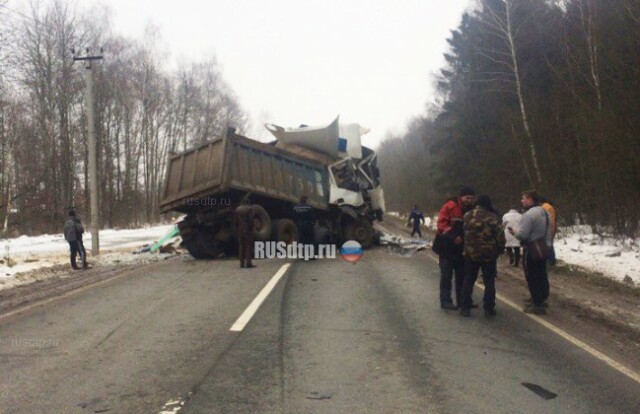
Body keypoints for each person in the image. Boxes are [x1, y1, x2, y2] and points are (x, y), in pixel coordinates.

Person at [460, 195, 505, 317]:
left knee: (468, 279)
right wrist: (500, 249)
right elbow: (500, 236)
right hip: (488, 254)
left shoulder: (467, 216)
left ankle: (464, 307)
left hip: (470, 253)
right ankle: (489, 308)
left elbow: (464, 231)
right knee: (489, 281)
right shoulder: (493, 218)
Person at [508, 191, 552, 314]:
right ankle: (542, 298)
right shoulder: (546, 211)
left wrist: (514, 232)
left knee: (532, 276)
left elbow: (523, 234)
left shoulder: (529, 215)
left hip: (532, 248)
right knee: (542, 274)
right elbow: (551, 229)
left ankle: (537, 304)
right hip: (544, 247)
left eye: (523, 198)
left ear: (530, 199)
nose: (522, 201)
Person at [433, 186, 476, 310]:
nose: (469, 200)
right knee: (446, 275)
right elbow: (441, 224)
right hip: (446, 247)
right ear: (461, 197)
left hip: (461, 248)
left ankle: (463, 301)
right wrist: (453, 236)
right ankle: (445, 301)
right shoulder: (450, 206)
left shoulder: (472, 209)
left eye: (471, 198)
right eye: (467, 198)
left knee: (461, 275)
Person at [235, 194, 256, 269]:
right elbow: (251, 221)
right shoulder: (249, 209)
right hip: (247, 230)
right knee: (248, 247)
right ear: (247, 202)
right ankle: (248, 263)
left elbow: (236, 221)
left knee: (241, 246)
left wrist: (237, 229)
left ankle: (241, 263)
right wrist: (251, 229)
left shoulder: (237, 209)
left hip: (240, 231)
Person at [540, 197, 558, 266]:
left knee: (548, 244)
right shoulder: (549, 207)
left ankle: (551, 260)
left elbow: (549, 219)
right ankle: (551, 260)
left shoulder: (545, 207)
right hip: (551, 227)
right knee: (549, 243)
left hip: (548, 228)